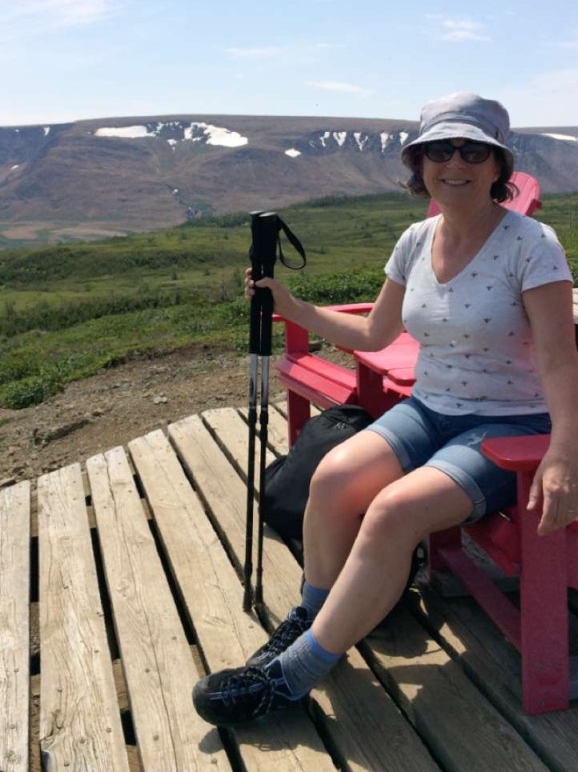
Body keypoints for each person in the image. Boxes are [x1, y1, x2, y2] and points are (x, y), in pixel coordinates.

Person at [193, 91, 578, 727]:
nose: (454, 162)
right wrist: (292, 307)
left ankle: (290, 679)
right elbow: (375, 334)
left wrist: (563, 451)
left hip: (508, 423)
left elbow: (562, 359)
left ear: (497, 165)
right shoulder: (415, 239)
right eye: (439, 150)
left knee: (393, 513)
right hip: (429, 409)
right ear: (419, 164)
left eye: (472, 149)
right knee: (332, 477)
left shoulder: (532, 244)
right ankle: (316, 618)